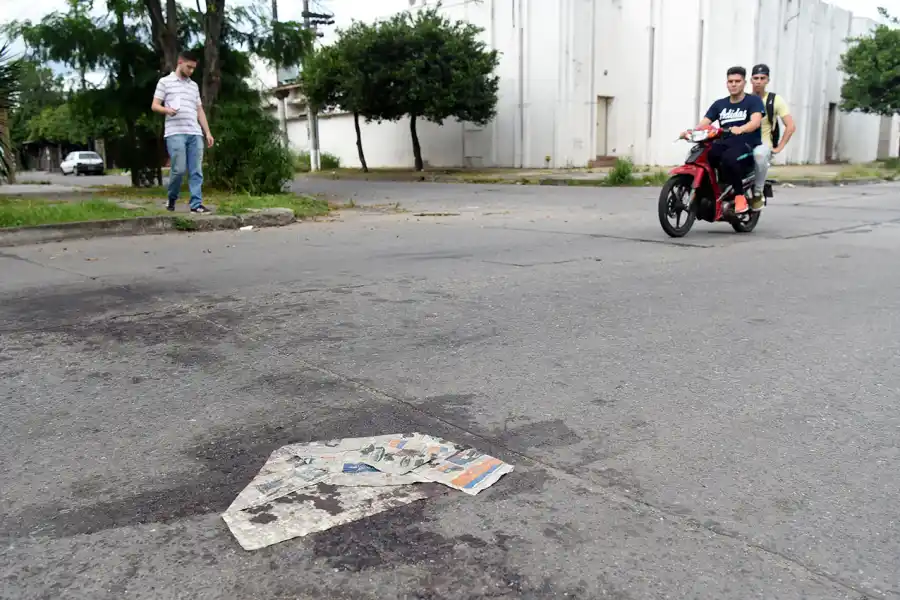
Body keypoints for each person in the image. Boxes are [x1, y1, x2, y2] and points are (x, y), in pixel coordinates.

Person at [683, 66, 765, 214]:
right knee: (705, 154)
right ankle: (711, 190)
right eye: (730, 81)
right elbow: (704, 123)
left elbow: (755, 122)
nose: (733, 84)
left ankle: (739, 196)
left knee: (729, 159)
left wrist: (741, 129)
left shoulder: (753, 101)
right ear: (726, 83)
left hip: (746, 143)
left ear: (744, 83)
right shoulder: (719, 104)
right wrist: (691, 132)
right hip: (724, 141)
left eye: (737, 81)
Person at [151, 51, 215, 213]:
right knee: (178, 169)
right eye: (189, 67)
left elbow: (199, 110)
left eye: (193, 68)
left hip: (194, 132)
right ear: (180, 62)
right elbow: (155, 105)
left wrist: (207, 132)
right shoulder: (165, 82)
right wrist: (167, 110)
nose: (191, 71)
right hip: (175, 133)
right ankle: (172, 198)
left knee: (196, 170)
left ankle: (196, 204)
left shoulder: (193, 86)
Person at [750, 63, 796, 209]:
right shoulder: (744, 99)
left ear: (767, 80)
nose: (758, 81)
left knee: (759, 155)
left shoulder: (775, 100)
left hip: (764, 144)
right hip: (745, 143)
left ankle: (758, 192)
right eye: (755, 78)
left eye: (762, 78)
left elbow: (790, 126)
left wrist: (779, 147)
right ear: (750, 80)